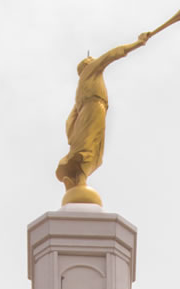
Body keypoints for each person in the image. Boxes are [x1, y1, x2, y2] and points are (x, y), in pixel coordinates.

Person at [55, 31, 156, 199]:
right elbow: (111, 55)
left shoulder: (81, 89)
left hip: (90, 112)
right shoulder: (92, 71)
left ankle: (78, 178)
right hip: (95, 109)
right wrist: (138, 43)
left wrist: (72, 136)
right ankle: (78, 174)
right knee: (90, 148)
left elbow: (71, 118)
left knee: (92, 148)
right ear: (88, 66)